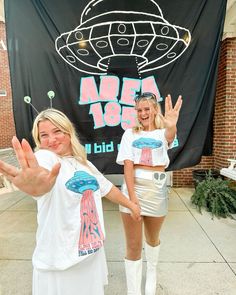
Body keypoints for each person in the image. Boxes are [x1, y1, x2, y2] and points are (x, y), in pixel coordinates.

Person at [0, 108, 141, 295]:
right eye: (44, 135)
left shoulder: (83, 163)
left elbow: (106, 187)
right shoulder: (47, 158)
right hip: (61, 262)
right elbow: (41, 178)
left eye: (57, 131)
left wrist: (131, 205)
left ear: (68, 132)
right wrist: (36, 185)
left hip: (90, 253)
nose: (52, 139)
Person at [116, 92, 182, 295]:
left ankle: (151, 275)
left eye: (147, 109)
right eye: (139, 110)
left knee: (152, 238)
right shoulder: (129, 134)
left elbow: (170, 136)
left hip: (157, 189)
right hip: (132, 189)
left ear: (154, 109)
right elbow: (127, 166)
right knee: (133, 245)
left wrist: (171, 126)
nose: (143, 113)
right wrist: (132, 198)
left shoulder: (163, 133)